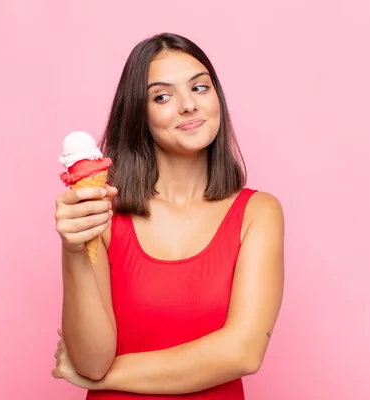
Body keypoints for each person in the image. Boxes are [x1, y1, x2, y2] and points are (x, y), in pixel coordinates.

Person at [51, 32, 285, 399]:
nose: (188, 105)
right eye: (162, 96)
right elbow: (91, 361)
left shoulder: (259, 213)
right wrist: (75, 250)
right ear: (138, 115)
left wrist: (104, 378)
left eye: (200, 88)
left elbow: (242, 352)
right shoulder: (102, 212)